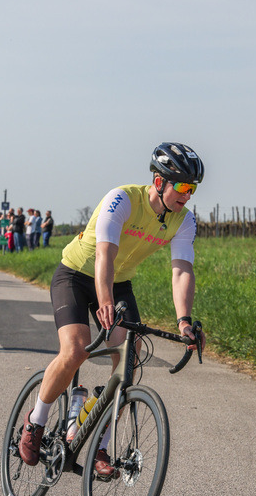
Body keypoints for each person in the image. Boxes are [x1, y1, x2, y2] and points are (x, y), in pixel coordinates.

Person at [19, 142, 206, 477]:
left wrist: (184, 322)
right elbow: (105, 252)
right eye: (182, 186)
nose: (187, 195)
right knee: (76, 349)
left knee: (128, 357)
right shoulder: (121, 199)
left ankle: (99, 444)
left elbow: (181, 270)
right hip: (77, 274)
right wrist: (103, 301)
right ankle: (35, 423)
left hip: (119, 283)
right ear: (159, 181)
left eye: (192, 189)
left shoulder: (183, 221)